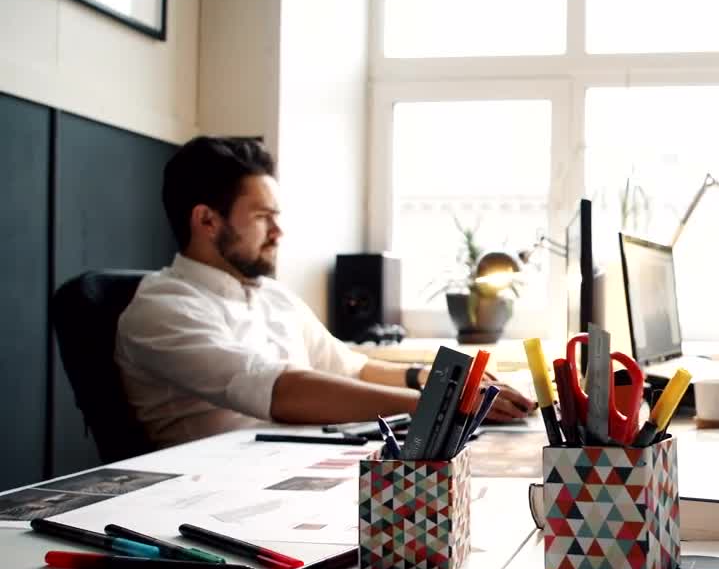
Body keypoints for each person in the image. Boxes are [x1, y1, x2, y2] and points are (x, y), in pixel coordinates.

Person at [116, 136, 534, 448]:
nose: (278, 233)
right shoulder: (162, 308)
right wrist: (437, 404)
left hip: (294, 464)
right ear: (207, 221)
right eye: (263, 217)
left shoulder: (271, 297)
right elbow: (279, 390)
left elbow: (351, 367)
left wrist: (434, 378)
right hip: (207, 490)